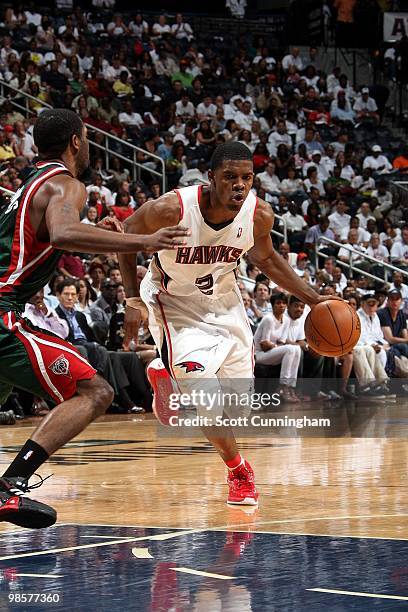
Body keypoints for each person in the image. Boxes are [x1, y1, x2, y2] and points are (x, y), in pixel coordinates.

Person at [117, 141, 337, 506]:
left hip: (224, 303)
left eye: (246, 178)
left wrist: (316, 300)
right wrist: (131, 300)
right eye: (230, 177)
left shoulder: (258, 215)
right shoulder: (173, 208)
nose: (239, 185)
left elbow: (267, 260)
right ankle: (239, 472)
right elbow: (126, 236)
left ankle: (162, 368)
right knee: (207, 401)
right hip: (174, 303)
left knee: (238, 409)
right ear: (211, 179)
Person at [0, 109, 189, 529]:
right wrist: (140, 239)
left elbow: (52, 235)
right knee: (95, 391)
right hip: (2, 312)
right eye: (86, 138)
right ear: (76, 142)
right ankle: (10, 484)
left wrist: (99, 232)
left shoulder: (29, 186)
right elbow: (64, 233)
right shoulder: (66, 184)